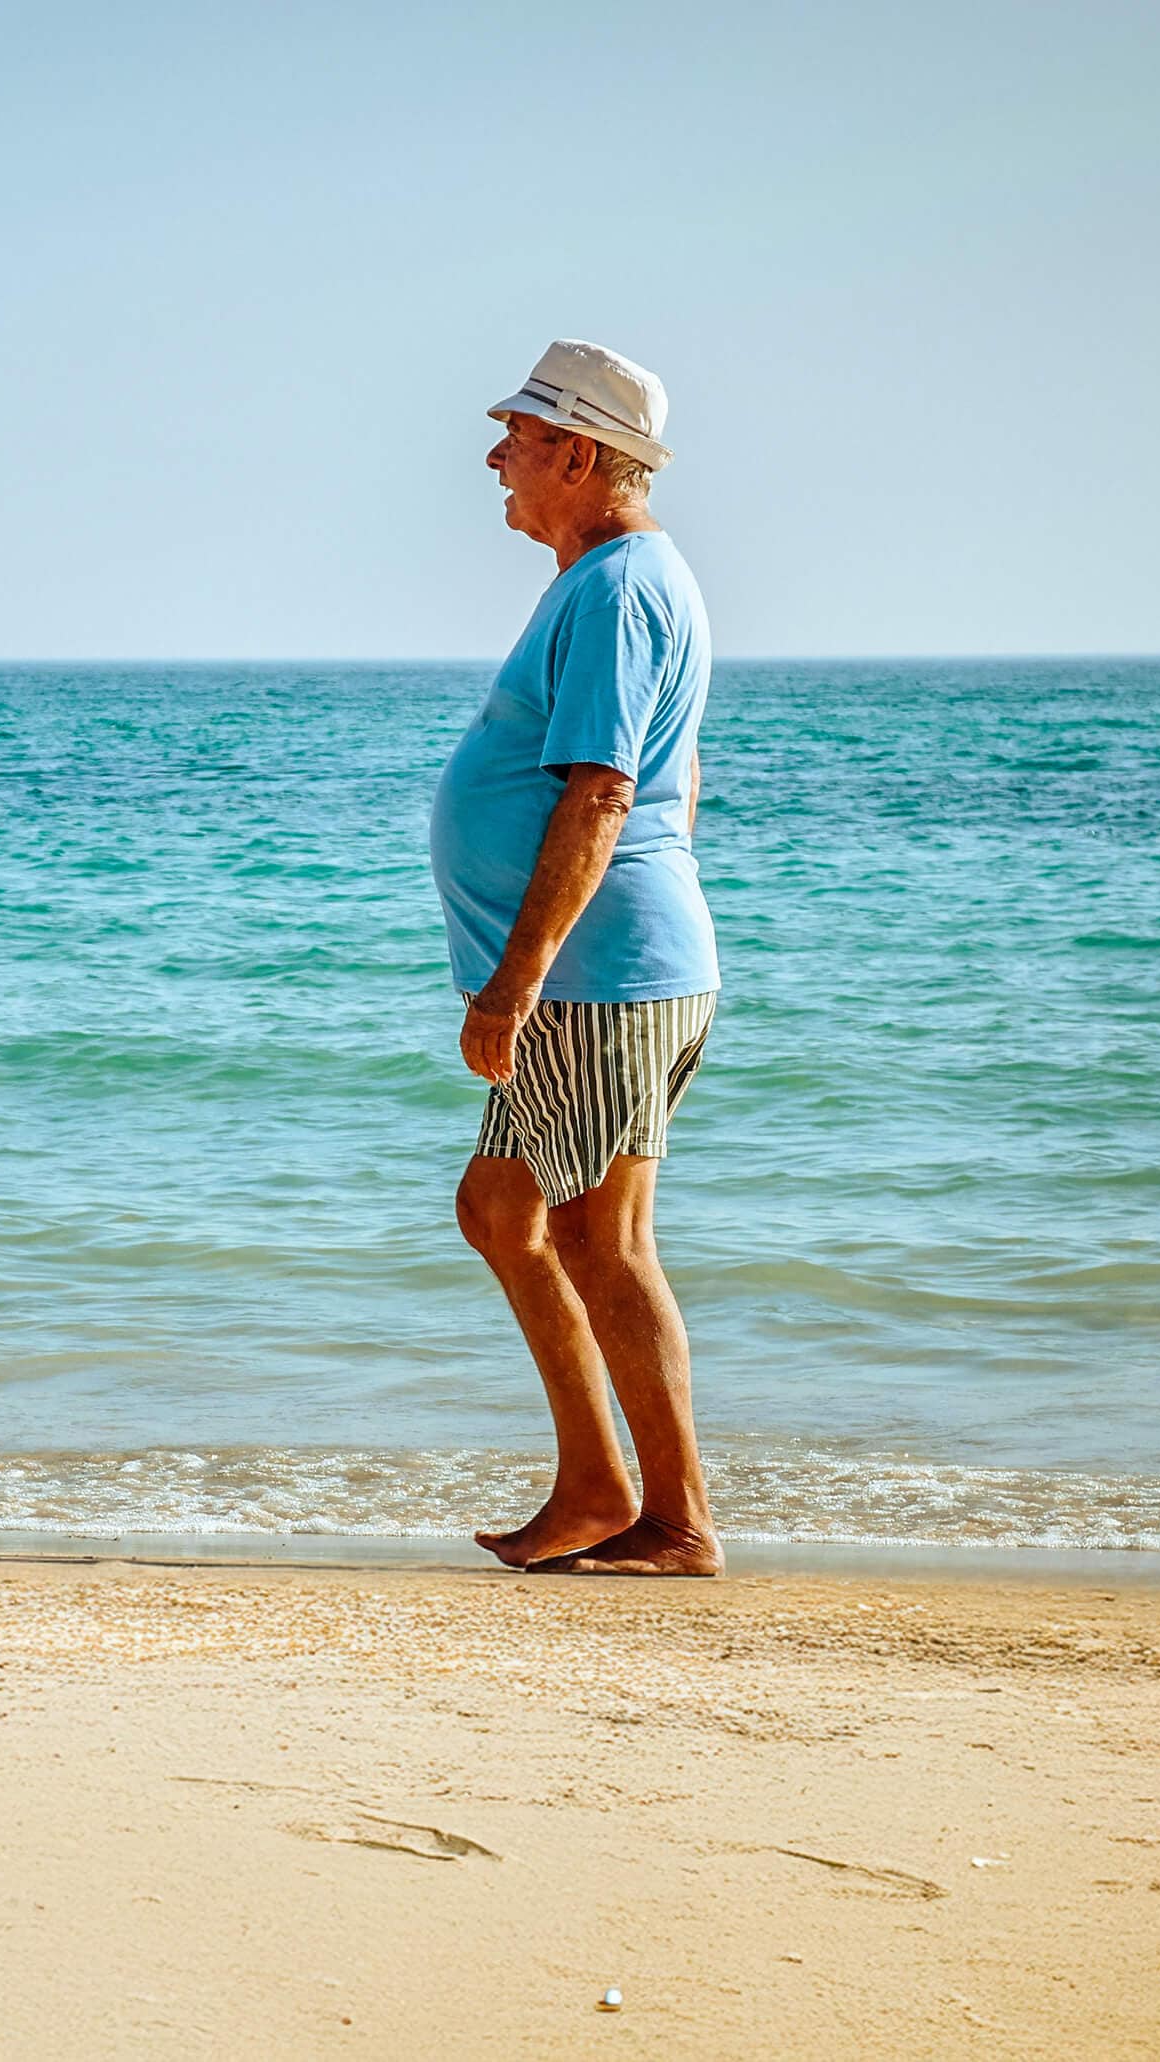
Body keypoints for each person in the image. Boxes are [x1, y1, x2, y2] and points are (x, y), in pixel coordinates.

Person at [429, 339, 724, 1577]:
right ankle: (598, 1487)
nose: (496, 454)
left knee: (601, 1240)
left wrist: (520, 974)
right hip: (597, 967)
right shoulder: (607, 579)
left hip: (594, 980)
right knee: (503, 1209)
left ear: (579, 451)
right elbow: (680, 778)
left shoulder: (617, 586)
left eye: (516, 432)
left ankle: (674, 1520)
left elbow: (603, 793)